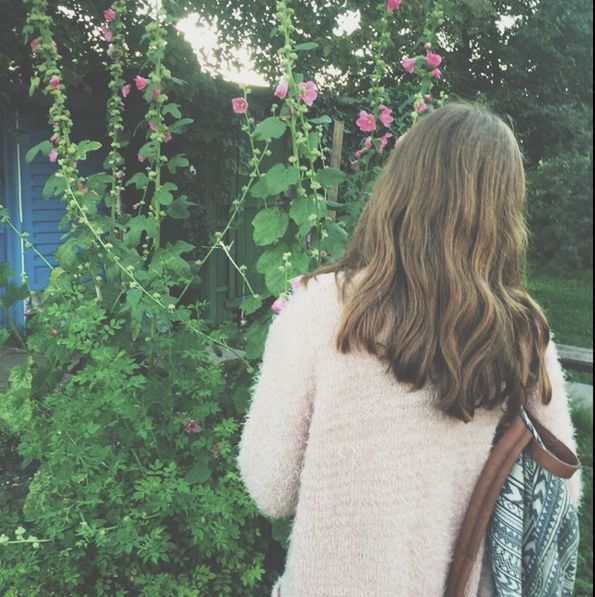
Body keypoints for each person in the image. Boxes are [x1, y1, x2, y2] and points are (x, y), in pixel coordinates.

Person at [236, 103, 583, 596]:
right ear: (503, 209)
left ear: (399, 186)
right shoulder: (520, 330)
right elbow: (561, 492)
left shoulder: (320, 310)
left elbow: (270, 488)